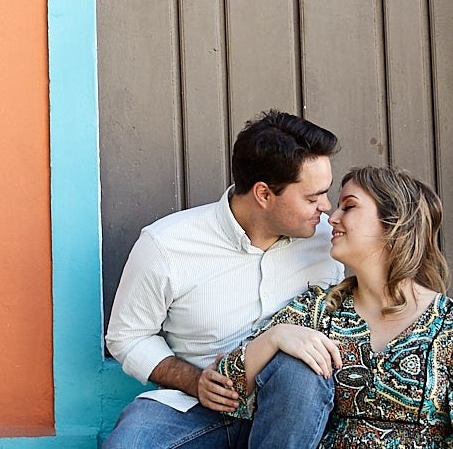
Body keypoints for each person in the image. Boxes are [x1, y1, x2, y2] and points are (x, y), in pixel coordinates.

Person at [209, 166, 453, 449]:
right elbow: (224, 384)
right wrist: (274, 337)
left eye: (348, 207)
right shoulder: (318, 311)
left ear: (394, 223)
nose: (332, 218)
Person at [103, 111, 344, 449]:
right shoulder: (168, 244)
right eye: (312, 197)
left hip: (294, 408)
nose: (326, 207)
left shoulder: (331, 241)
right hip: (196, 407)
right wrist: (194, 380)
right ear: (263, 194)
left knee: (301, 372)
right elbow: (127, 337)